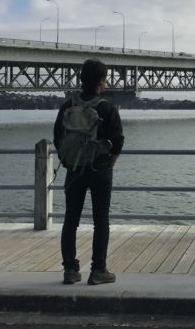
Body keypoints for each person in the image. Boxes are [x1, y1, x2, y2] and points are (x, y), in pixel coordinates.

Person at [54, 59, 124, 285]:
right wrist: (110, 163)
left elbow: (58, 138)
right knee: (101, 220)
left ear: (82, 80)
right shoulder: (107, 108)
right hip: (100, 167)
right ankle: (98, 271)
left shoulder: (67, 106)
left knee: (70, 220)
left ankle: (70, 270)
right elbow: (118, 140)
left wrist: (69, 161)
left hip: (74, 170)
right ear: (102, 81)